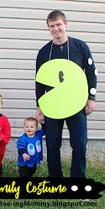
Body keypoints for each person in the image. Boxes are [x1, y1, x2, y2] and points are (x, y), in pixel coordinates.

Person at [35, 10, 97, 177]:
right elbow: (39, 82)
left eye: (58, 25)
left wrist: (91, 98)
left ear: (66, 24)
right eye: (52, 26)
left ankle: (78, 180)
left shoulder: (80, 47)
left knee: (79, 143)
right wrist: (39, 106)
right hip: (52, 106)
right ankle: (56, 181)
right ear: (48, 28)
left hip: (76, 104)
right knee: (53, 143)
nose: (56, 29)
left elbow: (91, 72)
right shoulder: (44, 52)